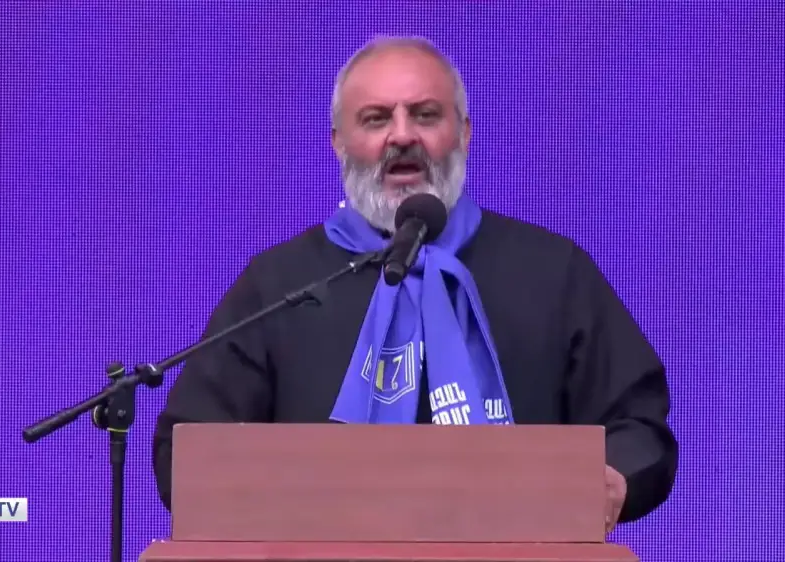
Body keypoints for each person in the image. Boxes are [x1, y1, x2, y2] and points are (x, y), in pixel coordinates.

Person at [151, 35, 677, 532]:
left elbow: (637, 427)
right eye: (376, 118)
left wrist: (611, 481)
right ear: (338, 143)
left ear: (464, 133)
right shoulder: (281, 285)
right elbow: (187, 451)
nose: (402, 135)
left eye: (425, 115)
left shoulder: (552, 272)